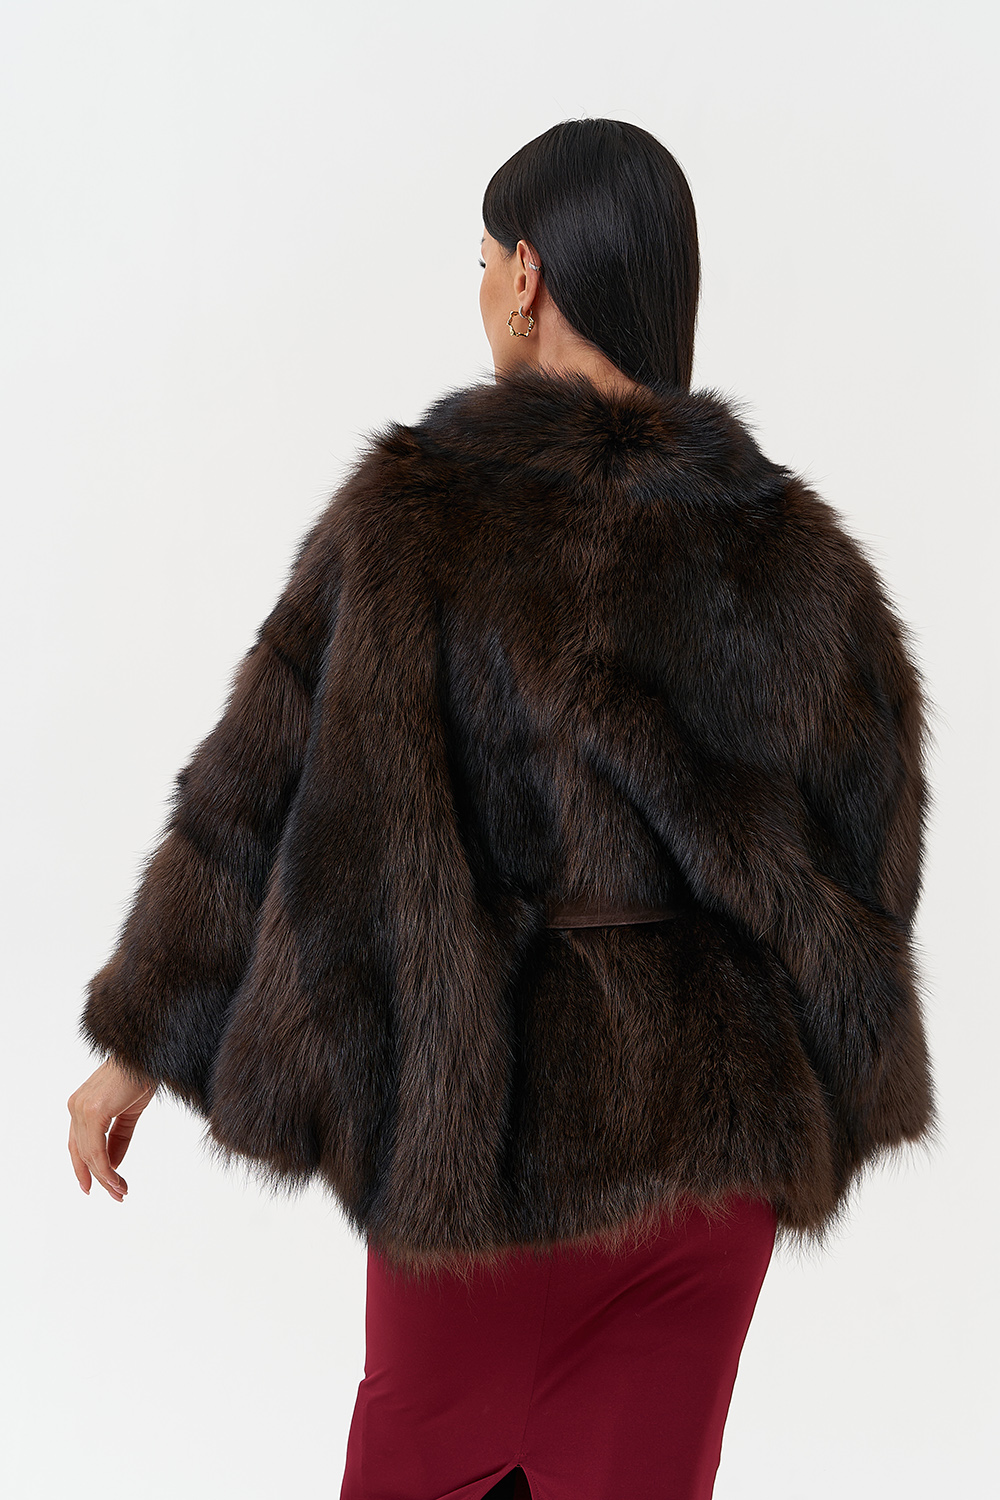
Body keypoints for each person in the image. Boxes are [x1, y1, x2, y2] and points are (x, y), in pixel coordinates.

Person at [68, 118, 937, 1500]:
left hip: (487, 1157)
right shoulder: (795, 550)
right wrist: (805, 1102)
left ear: (528, 275)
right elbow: (874, 849)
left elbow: (256, 783)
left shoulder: (416, 511)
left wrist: (141, 1044)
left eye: (481, 261)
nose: (480, 290)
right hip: (707, 1176)